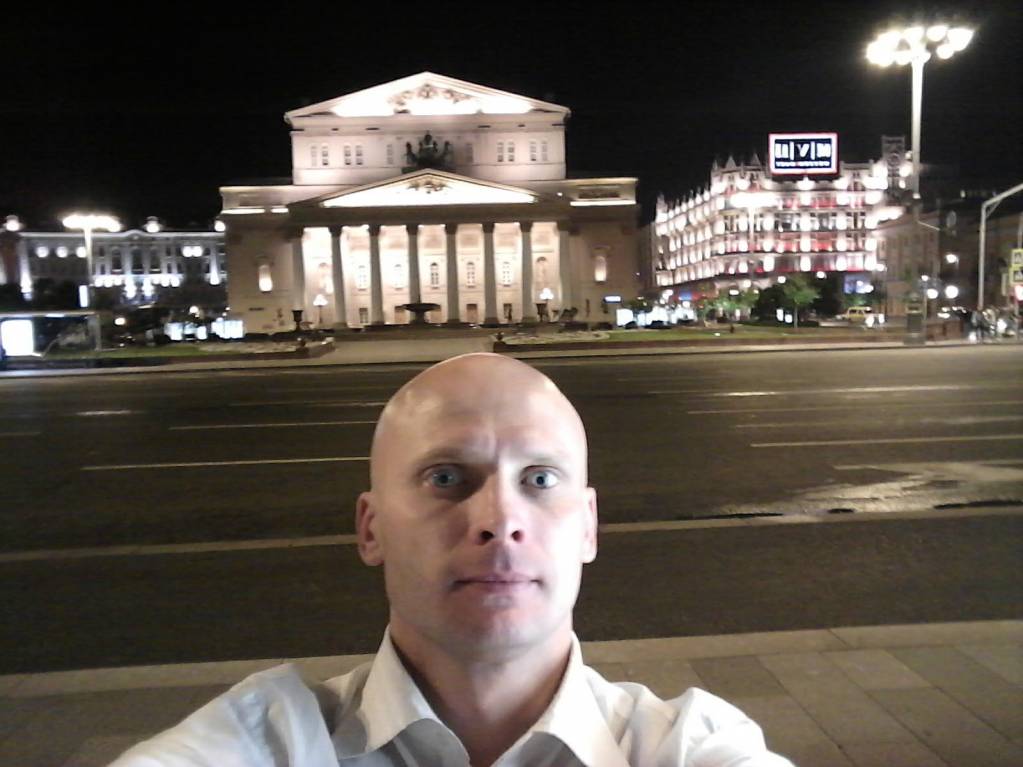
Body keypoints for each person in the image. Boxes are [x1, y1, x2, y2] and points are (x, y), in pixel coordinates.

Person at [111, 354, 793, 766]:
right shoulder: (265, 742)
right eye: (445, 478)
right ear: (371, 528)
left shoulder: (688, 747)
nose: (498, 519)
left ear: (588, 527)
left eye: (539, 479)